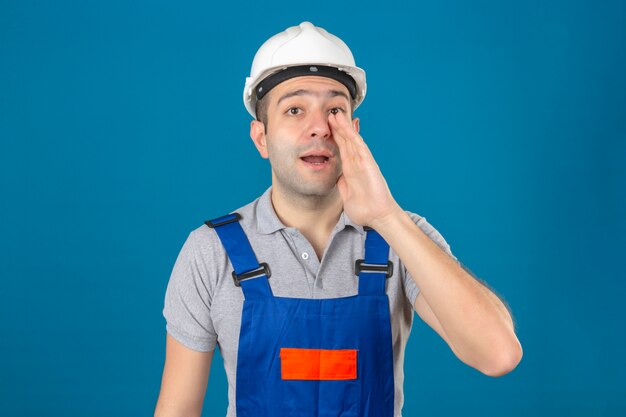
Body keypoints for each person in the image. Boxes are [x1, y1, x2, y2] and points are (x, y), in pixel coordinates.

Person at [154, 21, 522, 417]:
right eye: (294, 109)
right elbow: (177, 410)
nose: (319, 128)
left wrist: (386, 217)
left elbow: (498, 354)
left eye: (335, 110)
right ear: (261, 137)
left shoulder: (401, 235)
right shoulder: (210, 252)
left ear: (354, 131)